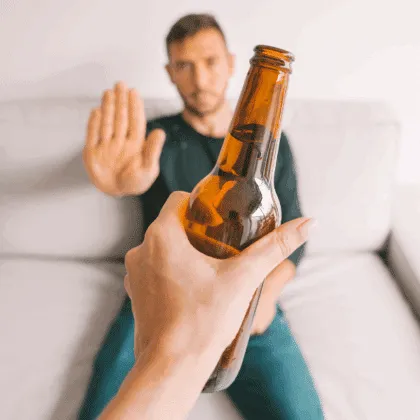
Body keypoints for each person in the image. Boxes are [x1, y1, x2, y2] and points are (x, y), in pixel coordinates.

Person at [80, 13, 324, 420]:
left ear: (230, 64)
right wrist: (119, 185)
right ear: (170, 73)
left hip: (247, 296)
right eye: (184, 65)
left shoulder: (273, 147)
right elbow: (132, 174)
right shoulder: (153, 136)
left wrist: (267, 296)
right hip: (161, 293)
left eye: (210, 62)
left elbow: (292, 232)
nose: (200, 78)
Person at [98, 191, 316, 420]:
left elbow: (292, 227)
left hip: (251, 293)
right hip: (165, 288)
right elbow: (128, 182)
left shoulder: (271, 174)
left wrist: (267, 293)